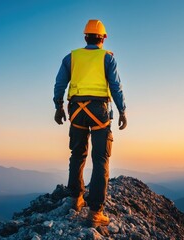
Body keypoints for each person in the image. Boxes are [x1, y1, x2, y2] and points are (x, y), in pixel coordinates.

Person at [53, 19, 127, 227]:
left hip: (76, 110)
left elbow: (60, 83)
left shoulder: (71, 57)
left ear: (85, 37)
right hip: (99, 112)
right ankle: (95, 212)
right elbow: (115, 86)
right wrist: (122, 110)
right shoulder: (107, 58)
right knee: (101, 158)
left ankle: (75, 197)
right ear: (104, 38)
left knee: (77, 154)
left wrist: (58, 106)